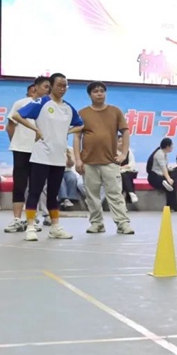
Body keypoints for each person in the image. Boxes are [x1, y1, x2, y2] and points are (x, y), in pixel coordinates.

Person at [12, 73, 83, 241]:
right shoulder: (42, 102)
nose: (62, 89)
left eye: (65, 86)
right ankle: (30, 227)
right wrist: (36, 129)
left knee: (53, 194)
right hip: (41, 155)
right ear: (51, 86)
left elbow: (80, 124)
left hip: (59, 157)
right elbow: (17, 115)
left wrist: (67, 131)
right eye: (59, 85)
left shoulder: (67, 107)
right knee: (35, 191)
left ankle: (55, 227)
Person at [73, 81, 135, 235]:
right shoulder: (82, 113)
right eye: (95, 91)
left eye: (102, 91)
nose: (99, 94)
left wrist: (124, 154)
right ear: (90, 95)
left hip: (110, 161)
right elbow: (77, 137)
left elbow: (125, 132)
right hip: (89, 161)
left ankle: (123, 223)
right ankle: (97, 223)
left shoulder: (115, 111)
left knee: (115, 194)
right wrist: (78, 159)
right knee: (92, 195)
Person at [4, 77, 50, 233]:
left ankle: (32, 218)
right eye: (45, 86)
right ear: (36, 88)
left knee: (35, 186)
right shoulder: (21, 103)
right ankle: (17, 219)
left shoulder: (49, 106)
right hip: (21, 149)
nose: (48, 90)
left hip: (40, 150)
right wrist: (16, 142)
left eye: (49, 87)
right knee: (19, 184)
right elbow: (10, 125)